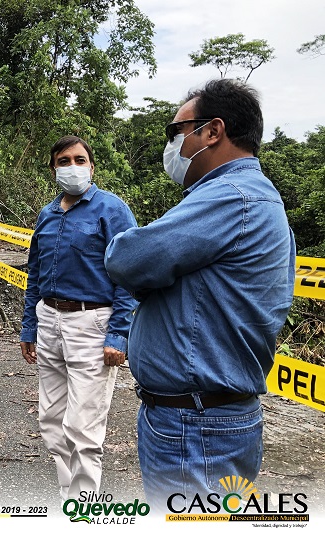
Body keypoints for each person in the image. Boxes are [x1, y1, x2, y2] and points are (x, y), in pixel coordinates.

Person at [104, 79, 296, 507]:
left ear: (212, 131)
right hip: (200, 418)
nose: (173, 144)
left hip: (196, 425)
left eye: (177, 132)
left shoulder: (231, 197)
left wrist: (144, 266)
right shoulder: (255, 198)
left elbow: (127, 258)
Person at [20, 136, 138, 500]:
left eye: (79, 159)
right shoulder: (48, 213)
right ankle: (66, 494)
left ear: (92, 165)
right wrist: (30, 325)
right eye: (64, 160)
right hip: (49, 318)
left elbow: (129, 274)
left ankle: (84, 506)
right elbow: (35, 273)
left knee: (83, 424)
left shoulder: (111, 210)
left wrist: (119, 335)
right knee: (51, 419)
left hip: (92, 323)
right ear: (53, 168)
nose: (73, 166)